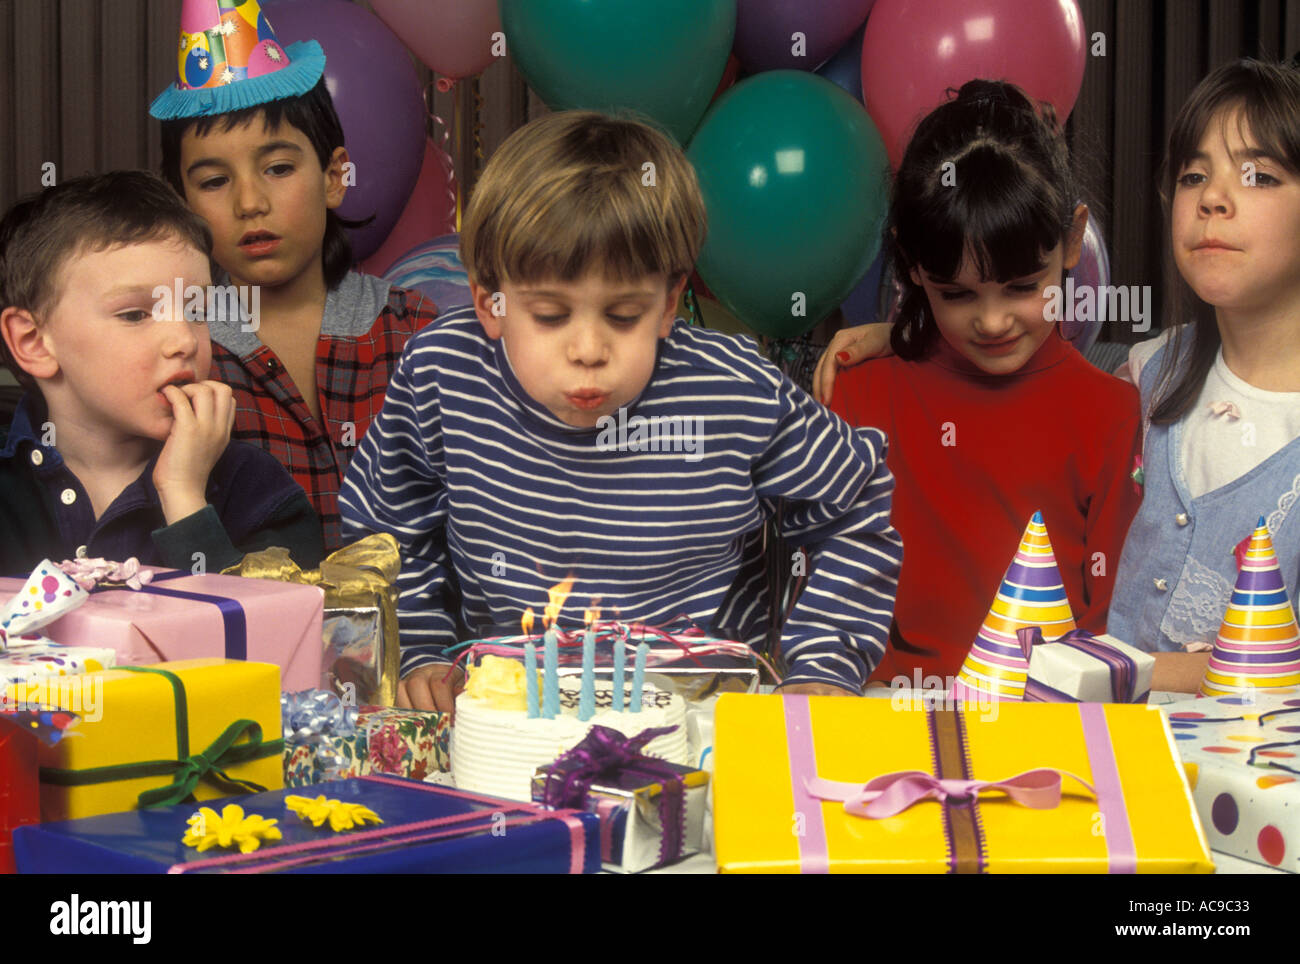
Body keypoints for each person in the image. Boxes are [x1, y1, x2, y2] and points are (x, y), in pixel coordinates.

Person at [340, 110, 903, 712]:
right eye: (551, 316)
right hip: (504, 715)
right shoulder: (442, 372)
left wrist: (822, 662)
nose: (589, 352)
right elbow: (388, 529)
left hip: (701, 717)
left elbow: (853, 503)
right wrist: (424, 649)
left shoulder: (734, 390)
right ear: (490, 303)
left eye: (624, 316)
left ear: (667, 305)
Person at [827, 81, 1142, 688]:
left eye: (1023, 287)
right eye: (957, 294)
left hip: (1049, 730)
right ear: (913, 266)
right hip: (880, 721)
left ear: (1073, 241)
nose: (993, 321)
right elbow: (829, 603)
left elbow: (1109, 631)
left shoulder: (1112, 413)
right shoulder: (856, 395)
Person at [149, 1, 441, 552]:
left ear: (334, 177)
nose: (250, 203)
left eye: (279, 168)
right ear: (181, 204)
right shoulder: (178, 354)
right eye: (213, 181)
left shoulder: (416, 332)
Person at [0, 171, 324, 574]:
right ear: (33, 342)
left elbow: (268, 633)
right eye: (135, 314)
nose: (184, 341)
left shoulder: (256, 490)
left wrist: (184, 495)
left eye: (196, 312)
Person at [1106, 59, 1300, 693]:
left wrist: (1129, 675)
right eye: (1194, 175)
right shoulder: (1150, 370)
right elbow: (1024, 370)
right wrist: (905, 334)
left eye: (1258, 175)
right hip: (1113, 770)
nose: (1213, 198)